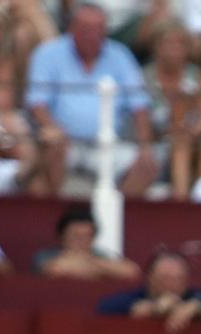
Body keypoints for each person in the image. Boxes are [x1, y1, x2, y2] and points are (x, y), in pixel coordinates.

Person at [24, 4, 158, 197]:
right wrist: (53, 129)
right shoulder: (48, 54)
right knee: (52, 145)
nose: (92, 35)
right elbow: (37, 103)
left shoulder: (120, 56)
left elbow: (140, 106)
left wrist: (145, 145)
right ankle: (62, 218)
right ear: (72, 29)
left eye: (98, 29)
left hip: (109, 145)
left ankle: (113, 219)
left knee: (148, 164)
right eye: (86, 29)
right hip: (65, 143)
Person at [142, 24, 201, 200]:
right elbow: (142, 120)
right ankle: (181, 201)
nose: (174, 49)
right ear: (156, 47)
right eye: (168, 43)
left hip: (191, 139)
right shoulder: (143, 78)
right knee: (180, 143)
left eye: (180, 44)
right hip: (156, 142)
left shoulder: (199, 77)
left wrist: (191, 131)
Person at [97, 249, 201, 334]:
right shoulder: (136, 295)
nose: (172, 284)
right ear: (150, 278)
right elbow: (106, 307)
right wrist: (154, 308)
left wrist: (197, 307)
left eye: (179, 278)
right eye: (165, 278)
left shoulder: (193, 296)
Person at [34, 205, 139, 277]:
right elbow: (55, 270)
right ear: (62, 236)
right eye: (76, 236)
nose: (81, 241)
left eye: (87, 236)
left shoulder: (101, 255)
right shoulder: (46, 255)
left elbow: (131, 271)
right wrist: (103, 271)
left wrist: (88, 260)